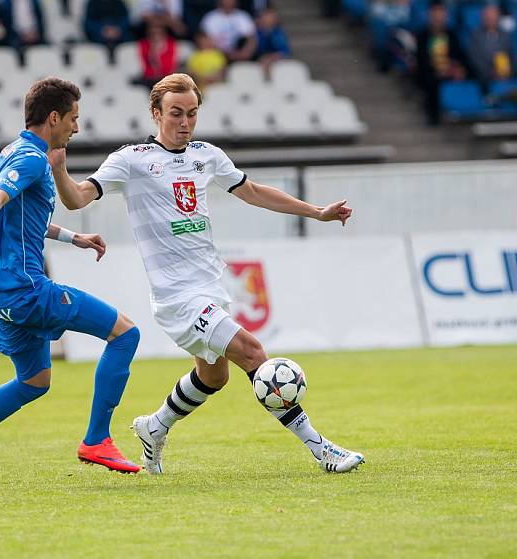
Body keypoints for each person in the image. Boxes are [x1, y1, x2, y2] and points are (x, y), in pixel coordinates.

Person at [50, 73, 365, 475]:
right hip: (177, 297)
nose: (185, 123)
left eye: (193, 114)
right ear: (155, 113)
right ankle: (323, 451)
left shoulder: (207, 155)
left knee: (214, 377)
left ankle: (154, 426)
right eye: (176, 114)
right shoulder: (130, 160)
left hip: (209, 287)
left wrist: (316, 211)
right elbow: (77, 199)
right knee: (253, 354)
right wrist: (60, 170)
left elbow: (254, 192)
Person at [0, 77, 142, 493]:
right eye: (74, 119)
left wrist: (74, 238)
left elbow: (23, 217)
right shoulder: (33, 160)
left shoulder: (14, 151)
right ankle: (97, 440)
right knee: (126, 334)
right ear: (54, 118)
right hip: (26, 290)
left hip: (0, 294)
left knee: (33, 382)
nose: (77, 127)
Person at [415, 1, 469, 125]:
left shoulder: (452, 34)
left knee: (468, 73)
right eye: (436, 14)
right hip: (431, 72)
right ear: (430, 15)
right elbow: (421, 60)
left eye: (441, 14)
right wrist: (437, 69)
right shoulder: (423, 36)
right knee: (431, 80)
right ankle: (433, 115)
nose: (439, 17)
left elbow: (460, 55)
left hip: (450, 69)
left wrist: (457, 69)